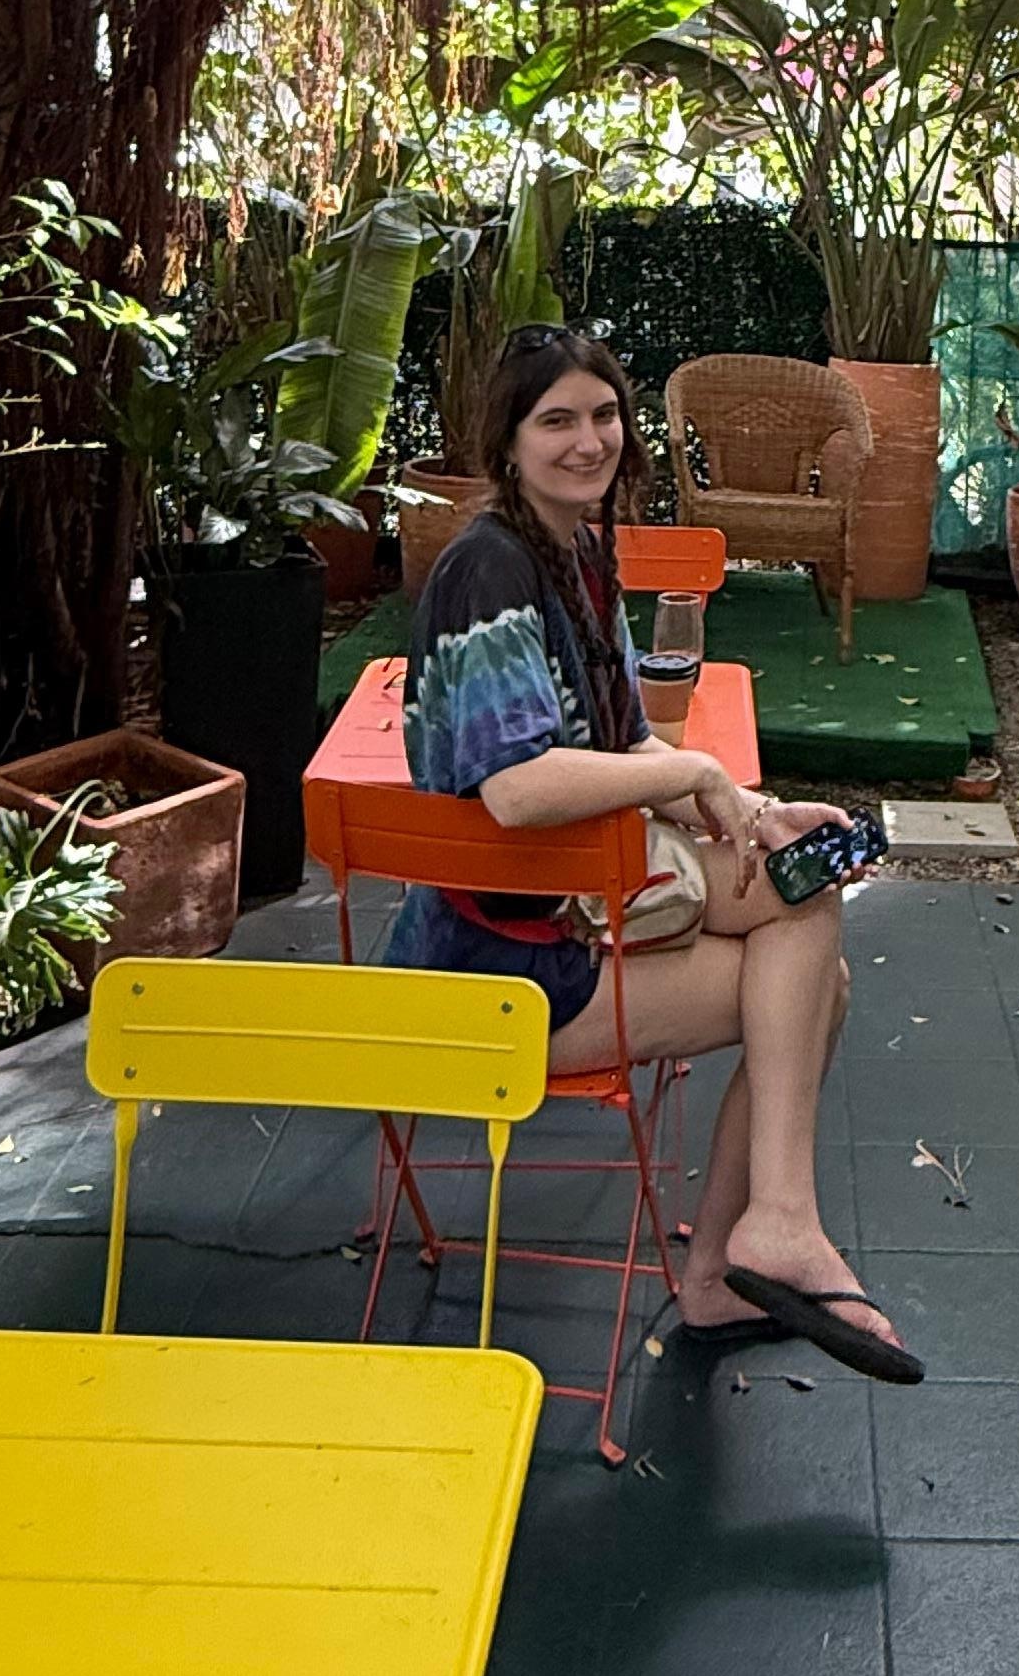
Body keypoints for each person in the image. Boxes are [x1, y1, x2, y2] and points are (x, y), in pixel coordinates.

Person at [388, 324, 922, 1385]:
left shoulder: (577, 550)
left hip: (572, 901)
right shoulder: (488, 570)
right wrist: (696, 775)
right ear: (507, 441)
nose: (588, 442)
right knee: (814, 990)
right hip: (500, 966)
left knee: (804, 896)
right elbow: (517, 788)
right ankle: (745, 1251)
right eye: (557, 421)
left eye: (603, 416)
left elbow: (625, 740)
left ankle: (765, 1234)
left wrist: (751, 809)